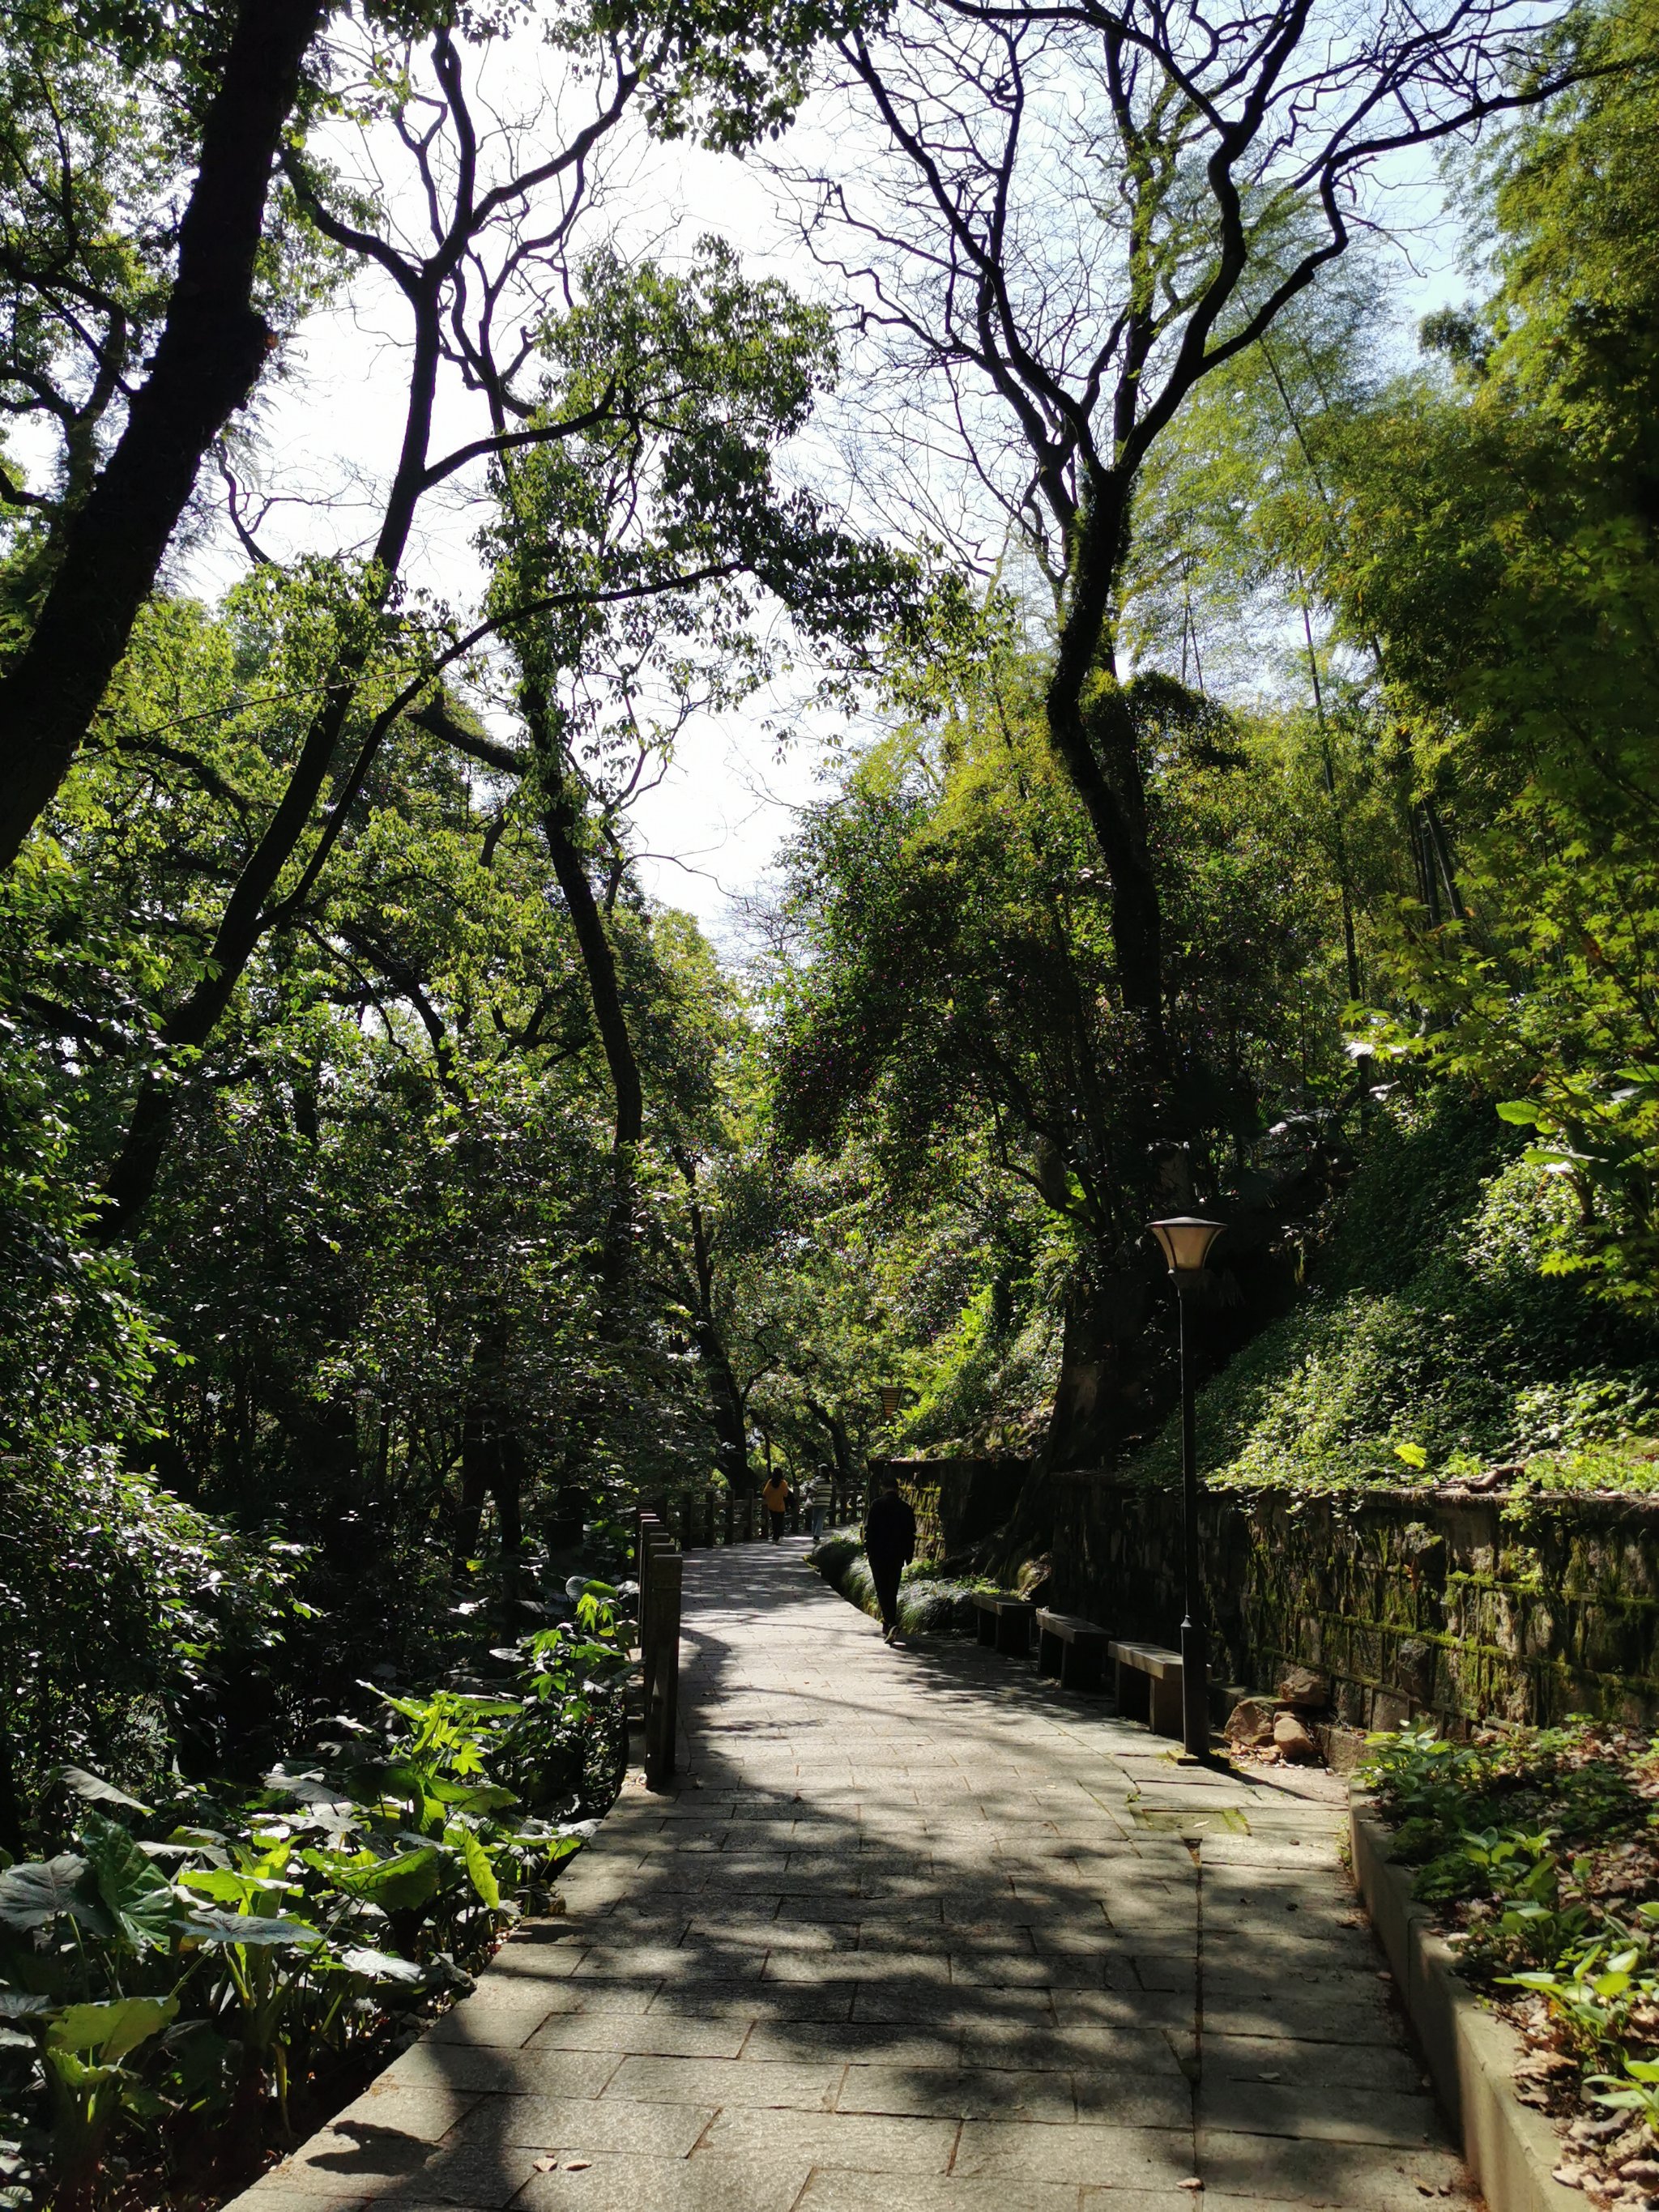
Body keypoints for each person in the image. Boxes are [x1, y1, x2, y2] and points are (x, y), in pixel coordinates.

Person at [864, 1473, 917, 1643]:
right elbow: (911, 1534)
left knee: (882, 1588)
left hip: (878, 1554)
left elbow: (869, 1530)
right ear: (897, 1489)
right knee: (892, 1588)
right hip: (897, 1555)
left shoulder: (876, 1505)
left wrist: (868, 1550)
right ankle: (889, 1624)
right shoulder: (906, 1508)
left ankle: (891, 1622)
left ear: (884, 1488)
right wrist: (909, 1556)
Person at [761, 1468, 791, 1541]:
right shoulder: (783, 1483)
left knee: (774, 1522)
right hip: (780, 1506)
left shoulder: (770, 1482)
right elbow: (786, 1494)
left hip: (771, 1505)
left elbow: (764, 1493)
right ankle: (776, 1538)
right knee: (779, 1523)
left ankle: (775, 1536)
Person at [803, 1471, 828, 1545]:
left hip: (818, 1501)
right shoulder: (829, 1480)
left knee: (816, 1518)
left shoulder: (817, 1480)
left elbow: (812, 1490)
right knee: (821, 1519)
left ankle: (815, 1535)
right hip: (826, 1501)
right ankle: (817, 1536)